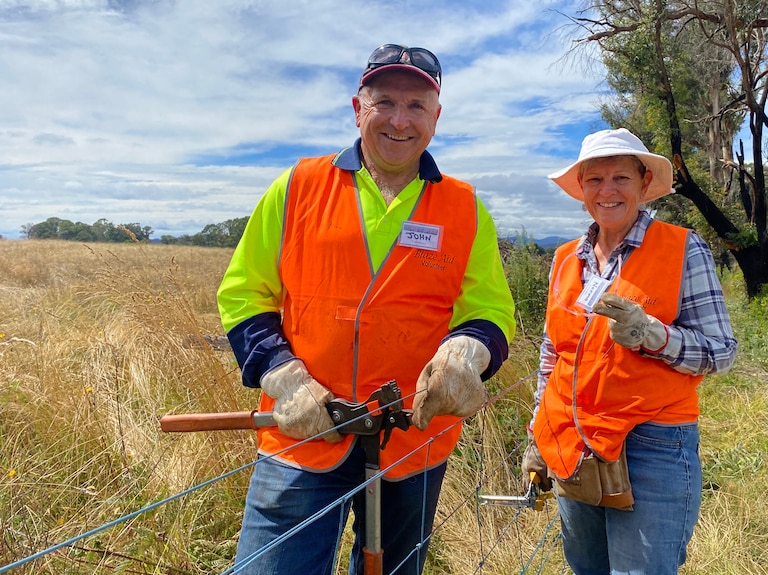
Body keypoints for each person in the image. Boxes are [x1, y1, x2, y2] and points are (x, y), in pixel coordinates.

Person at [217, 44, 515, 575]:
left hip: (413, 436)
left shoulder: (464, 207)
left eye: (417, 106)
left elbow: (489, 310)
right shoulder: (298, 187)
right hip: (305, 431)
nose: (400, 120)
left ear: (436, 117)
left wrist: (466, 354)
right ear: (358, 108)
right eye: (384, 102)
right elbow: (243, 293)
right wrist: (286, 380)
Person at [521, 128, 737, 575]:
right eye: (595, 179)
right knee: (587, 567)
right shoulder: (565, 259)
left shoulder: (682, 248)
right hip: (571, 441)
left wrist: (652, 334)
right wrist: (537, 433)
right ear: (581, 189)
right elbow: (551, 354)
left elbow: (721, 352)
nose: (608, 190)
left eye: (620, 177)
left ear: (642, 183)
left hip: (652, 444)